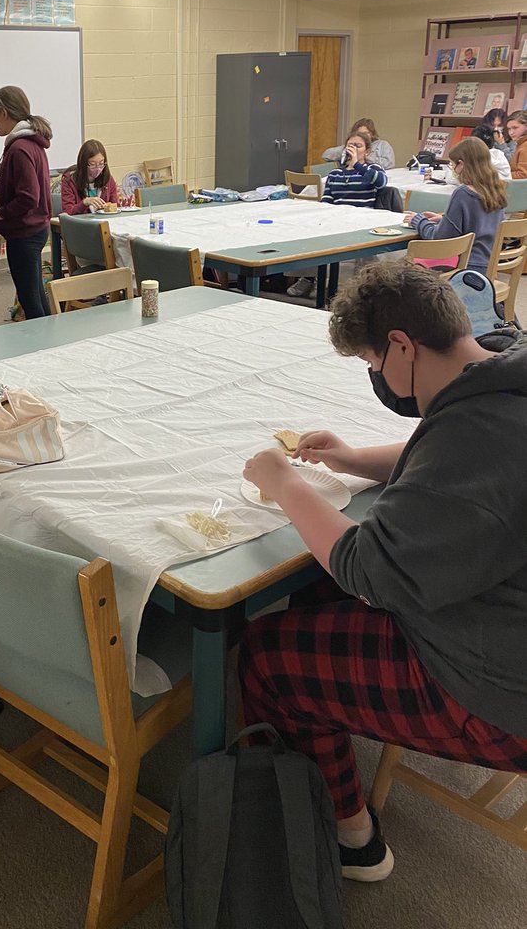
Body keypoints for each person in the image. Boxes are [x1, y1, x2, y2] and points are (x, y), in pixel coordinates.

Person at [240, 259, 527, 882]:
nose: (379, 378)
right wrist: (350, 459)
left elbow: (366, 567)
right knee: (313, 590)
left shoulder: (472, 433)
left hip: (502, 692)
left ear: (403, 345)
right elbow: (445, 454)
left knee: (265, 654)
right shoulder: (502, 369)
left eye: (375, 364)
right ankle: (335, 728)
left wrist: (285, 483)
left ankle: (353, 837)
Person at [288, 130, 388, 297]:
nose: (353, 149)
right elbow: (327, 200)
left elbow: (380, 182)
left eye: (358, 146)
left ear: (367, 151)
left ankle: (335, 287)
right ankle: (311, 279)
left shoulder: (371, 169)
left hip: (361, 220)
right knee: (309, 235)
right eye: (350, 145)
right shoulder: (335, 174)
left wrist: (357, 164)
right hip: (337, 220)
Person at [0, 85, 52, 320]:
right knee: (35, 296)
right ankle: (49, 341)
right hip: (34, 229)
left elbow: (28, 196)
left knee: (30, 300)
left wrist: (3, 214)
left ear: (3, 112)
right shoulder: (31, 143)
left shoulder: (19, 148)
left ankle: (43, 348)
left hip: (24, 233)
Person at [403, 137, 506, 273]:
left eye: (452, 165)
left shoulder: (463, 193)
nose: (453, 170)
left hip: (463, 267)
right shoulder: (496, 190)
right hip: (486, 265)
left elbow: (440, 239)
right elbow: (478, 224)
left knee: (404, 266)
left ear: (461, 164)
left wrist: (418, 221)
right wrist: (445, 220)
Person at [60, 140, 119, 215]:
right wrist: (84, 203)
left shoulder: (108, 179)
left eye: (101, 164)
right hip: (79, 224)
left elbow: (114, 206)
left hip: (103, 223)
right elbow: (68, 211)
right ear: (83, 163)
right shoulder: (69, 181)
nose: (97, 168)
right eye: (92, 164)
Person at [322, 120, 395, 171]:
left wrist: (363, 157)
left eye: (366, 133)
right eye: (360, 134)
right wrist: (347, 151)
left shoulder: (382, 145)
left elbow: (389, 164)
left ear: (372, 134)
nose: (363, 136)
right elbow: (326, 155)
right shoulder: (352, 145)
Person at [506, 111, 527, 179]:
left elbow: (523, 175)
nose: (511, 132)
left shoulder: (525, 146)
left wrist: (499, 175)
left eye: (515, 128)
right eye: (509, 129)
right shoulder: (521, 143)